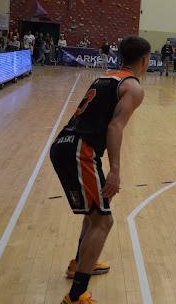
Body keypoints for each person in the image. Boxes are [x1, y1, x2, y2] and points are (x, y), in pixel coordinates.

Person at [50, 36, 150, 304]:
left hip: (64, 144)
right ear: (145, 61)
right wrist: (115, 170)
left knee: (96, 211)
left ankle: (80, 263)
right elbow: (115, 127)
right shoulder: (133, 87)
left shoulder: (105, 77)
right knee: (104, 221)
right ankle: (76, 295)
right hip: (80, 151)